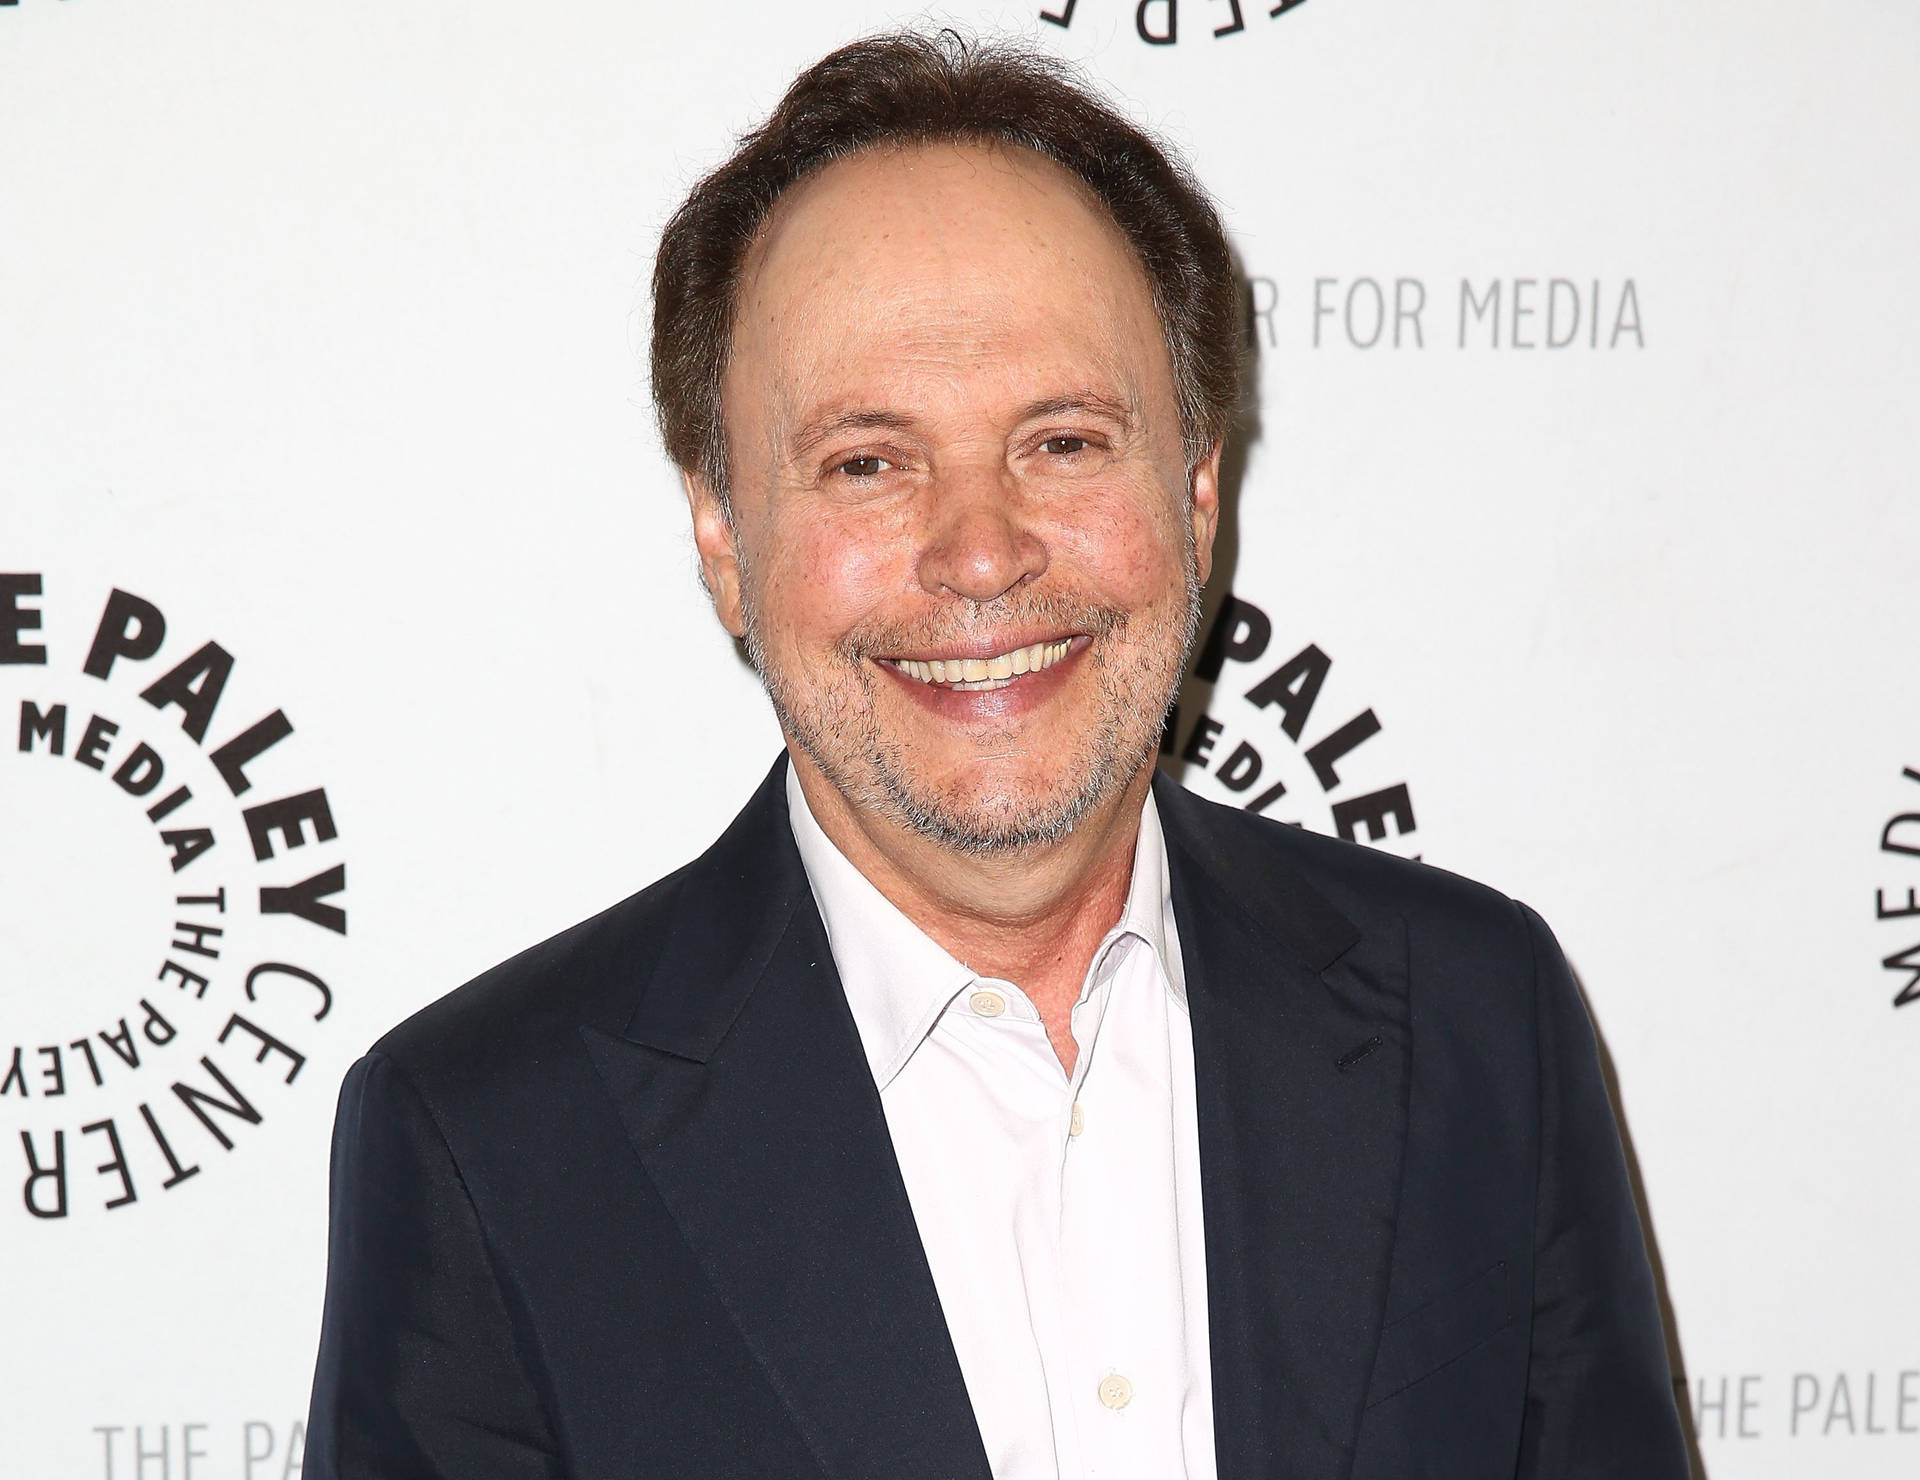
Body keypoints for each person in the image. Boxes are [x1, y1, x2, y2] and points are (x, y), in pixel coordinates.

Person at [305, 30, 1689, 1480]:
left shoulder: (1479, 1025)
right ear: (725, 538)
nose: (980, 552)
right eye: (867, 462)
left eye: (1066, 441)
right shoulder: (488, 1147)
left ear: (1198, 493)